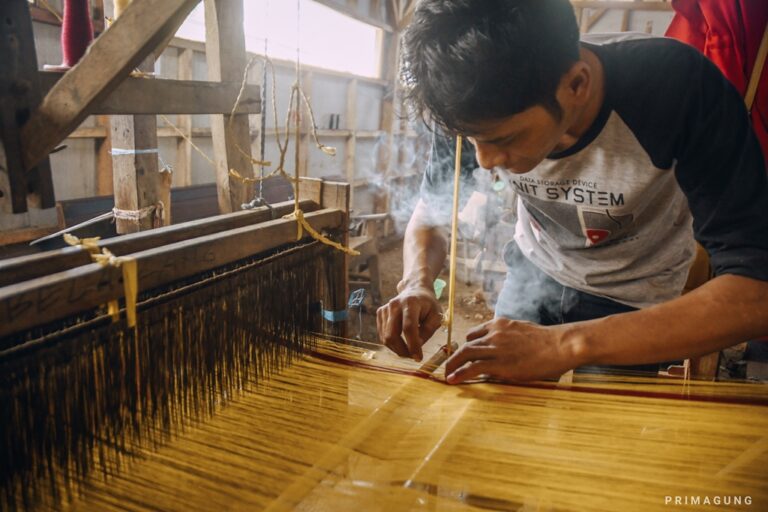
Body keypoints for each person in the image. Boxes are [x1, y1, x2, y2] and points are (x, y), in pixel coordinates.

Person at [376, 0, 768, 384]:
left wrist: (567, 345)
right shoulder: (469, 102)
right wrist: (417, 281)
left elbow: (756, 291)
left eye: (505, 138)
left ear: (577, 84)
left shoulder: (679, 90)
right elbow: (431, 212)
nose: (486, 162)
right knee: (498, 422)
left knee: (597, 439)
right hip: (534, 271)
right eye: (470, 140)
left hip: (635, 296)